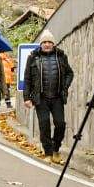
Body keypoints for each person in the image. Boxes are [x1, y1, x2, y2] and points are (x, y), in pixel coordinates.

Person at [23, 31, 74, 163]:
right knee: (44, 124)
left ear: (53, 44)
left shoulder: (61, 56)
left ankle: (56, 149)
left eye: (49, 42)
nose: (47, 44)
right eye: (44, 42)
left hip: (57, 97)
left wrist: (65, 86)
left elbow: (69, 73)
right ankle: (48, 153)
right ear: (41, 44)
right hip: (41, 98)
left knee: (60, 124)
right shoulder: (33, 57)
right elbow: (27, 78)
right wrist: (26, 98)